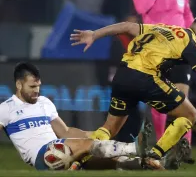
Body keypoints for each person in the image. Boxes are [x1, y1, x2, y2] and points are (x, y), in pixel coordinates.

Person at [70, 17, 196, 169]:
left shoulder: (161, 28)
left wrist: (94, 34)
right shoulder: (190, 43)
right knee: (190, 114)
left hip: (123, 75)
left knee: (108, 129)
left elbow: (126, 26)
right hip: (145, 77)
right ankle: (154, 156)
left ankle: (77, 160)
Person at [0, 62, 160, 170]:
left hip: (61, 149)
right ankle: (134, 148)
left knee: (113, 162)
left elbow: (66, 132)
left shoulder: (43, 102)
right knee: (86, 145)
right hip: (45, 156)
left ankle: (150, 163)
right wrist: (88, 141)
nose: (36, 90)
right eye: (32, 86)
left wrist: (92, 135)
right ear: (19, 84)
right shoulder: (6, 109)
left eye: (38, 86)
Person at [133, 0, 194, 163]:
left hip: (179, 51)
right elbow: (141, 8)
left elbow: (187, 16)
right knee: (159, 102)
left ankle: (185, 149)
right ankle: (162, 144)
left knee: (182, 99)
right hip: (155, 51)